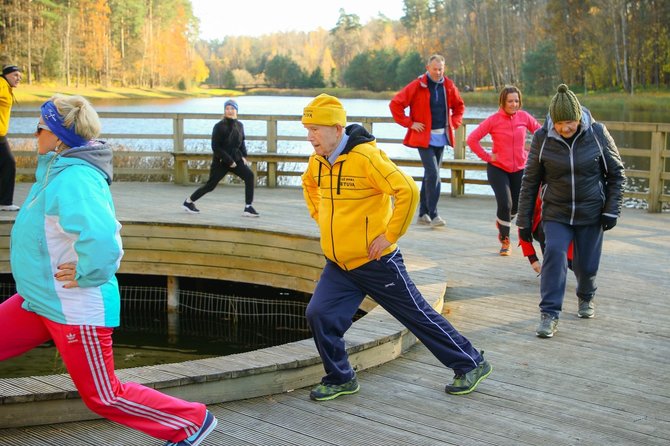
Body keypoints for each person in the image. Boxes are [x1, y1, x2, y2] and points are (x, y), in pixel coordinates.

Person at [0, 94, 217, 446]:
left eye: (39, 127)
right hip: (39, 300)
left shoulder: (76, 179)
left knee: (104, 395)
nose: (33, 132)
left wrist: (86, 273)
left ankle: (190, 422)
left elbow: (104, 240)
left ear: (57, 135)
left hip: (74, 307)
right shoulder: (57, 169)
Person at [300, 93, 491, 401]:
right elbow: (308, 185)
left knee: (417, 315)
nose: (310, 137)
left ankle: (471, 363)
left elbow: (407, 191)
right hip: (340, 264)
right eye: (307, 129)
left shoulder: (366, 158)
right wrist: (322, 219)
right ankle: (341, 377)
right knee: (319, 314)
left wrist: (389, 236)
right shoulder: (318, 162)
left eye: (315, 129)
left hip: (377, 262)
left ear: (337, 129)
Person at [516, 84, 625, 338]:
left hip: (591, 212)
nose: (566, 128)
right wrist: (523, 222)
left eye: (571, 122)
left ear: (579, 118)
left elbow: (617, 174)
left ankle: (586, 296)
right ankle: (549, 314)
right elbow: (530, 182)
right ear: (552, 120)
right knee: (554, 254)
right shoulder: (543, 138)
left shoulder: (597, 133)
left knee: (586, 266)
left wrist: (611, 210)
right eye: (560, 123)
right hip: (556, 212)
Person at [389, 54, 465, 227]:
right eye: (435, 69)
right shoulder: (417, 85)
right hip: (423, 136)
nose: (438, 72)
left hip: (441, 136)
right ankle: (434, 214)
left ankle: (423, 214)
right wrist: (409, 123)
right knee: (433, 174)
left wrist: (453, 123)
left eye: (441, 69)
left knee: (430, 175)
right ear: (427, 68)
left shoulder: (448, 86)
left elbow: (459, 107)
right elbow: (395, 104)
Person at [467, 86, 541, 255]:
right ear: (503, 102)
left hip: (519, 169)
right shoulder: (493, 120)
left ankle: (502, 221)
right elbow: (472, 139)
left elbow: (540, 134)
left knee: (516, 206)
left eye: (516, 101)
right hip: (498, 168)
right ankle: (505, 240)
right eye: (510, 101)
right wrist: (487, 157)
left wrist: (528, 153)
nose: (514, 104)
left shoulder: (524, 117)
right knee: (505, 204)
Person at [183, 99, 259, 217]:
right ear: (224, 111)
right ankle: (188, 202)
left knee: (249, 176)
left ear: (236, 110)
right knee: (210, 186)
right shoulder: (219, 126)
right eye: (227, 109)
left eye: (232, 108)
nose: (230, 111)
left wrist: (244, 156)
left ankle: (248, 207)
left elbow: (242, 142)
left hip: (236, 160)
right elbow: (216, 147)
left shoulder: (240, 125)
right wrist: (229, 161)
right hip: (221, 161)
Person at [0, 64, 22, 211]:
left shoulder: (6, 87)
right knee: (9, 163)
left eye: (19, 76)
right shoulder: (1, 84)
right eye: (15, 75)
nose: (18, 78)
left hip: (1, 135)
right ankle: (5, 202)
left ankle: (4, 202)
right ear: (6, 75)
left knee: (6, 164)